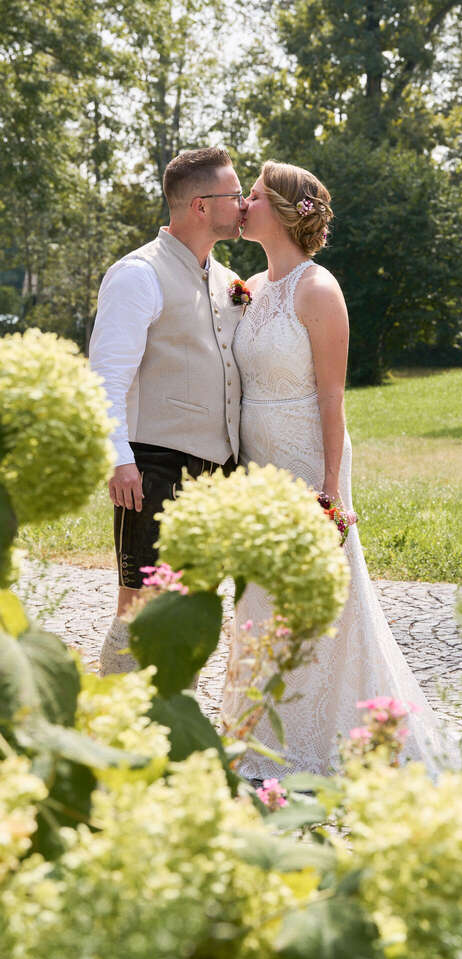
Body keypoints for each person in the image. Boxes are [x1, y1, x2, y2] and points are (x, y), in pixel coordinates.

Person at [220, 160, 459, 777]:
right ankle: (259, 731)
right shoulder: (250, 285)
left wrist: (329, 488)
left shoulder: (318, 289)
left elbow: (332, 395)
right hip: (256, 466)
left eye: (252, 195)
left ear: (281, 208)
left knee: (324, 595)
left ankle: (334, 735)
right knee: (260, 594)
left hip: (307, 458)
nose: (242, 204)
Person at [89, 147, 245, 675]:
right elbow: (106, 376)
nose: (243, 202)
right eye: (235, 193)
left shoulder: (226, 280)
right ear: (201, 205)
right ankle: (114, 720)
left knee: (191, 604)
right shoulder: (138, 274)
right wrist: (118, 458)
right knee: (139, 607)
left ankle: (171, 712)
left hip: (217, 470)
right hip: (152, 465)